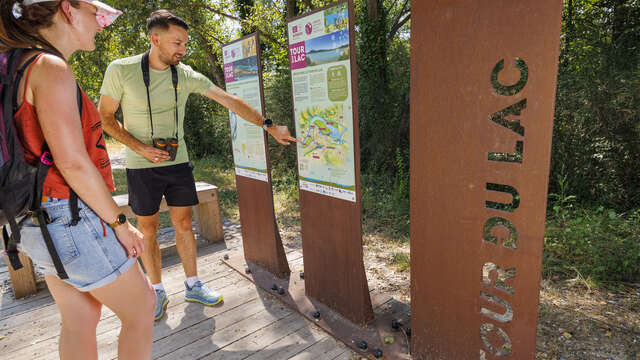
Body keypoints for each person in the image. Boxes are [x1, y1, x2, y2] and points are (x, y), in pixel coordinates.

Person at [98, 9, 296, 321]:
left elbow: (229, 100)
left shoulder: (186, 74)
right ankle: (157, 291)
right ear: (155, 39)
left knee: (184, 224)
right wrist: (140, 148)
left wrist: (268, 125)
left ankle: (193, 284)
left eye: (185, 44)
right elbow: (105, 119)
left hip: (179, 163)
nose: (182, 49)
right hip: (139, 165)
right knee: (147, 230)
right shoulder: (120, 70)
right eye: (177, 43)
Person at [1, 1, 156, 359]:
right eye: (95, 13)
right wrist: (120, 223)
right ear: (68, 10)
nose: (101, 24)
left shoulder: (12, 64)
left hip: (30, 218)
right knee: (142, 307)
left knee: (80, 317)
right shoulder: (49, 67)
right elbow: (72, 162)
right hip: (68, 216)